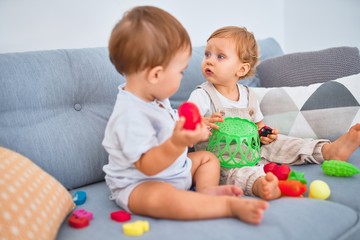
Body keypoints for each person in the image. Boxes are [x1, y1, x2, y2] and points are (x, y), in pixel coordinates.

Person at [102, 6, 269, 225]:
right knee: (161, 198)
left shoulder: (154, 97)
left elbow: (171, 129)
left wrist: (196, 128)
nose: (182, 76)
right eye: (180, 71)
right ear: (156, 75)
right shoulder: (129, 115)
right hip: (140, 182)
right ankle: (225, 206)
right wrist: (178, 142)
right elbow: (148, 166)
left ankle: (206, 192)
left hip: (175, 169)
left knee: (208, 159)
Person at [188, 26, 360, 200]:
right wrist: (201, 122)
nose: (209, 61)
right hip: (222, 157)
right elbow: (185, 123)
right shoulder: (202, 95)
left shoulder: (249, 95)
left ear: (242, 69)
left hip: (253, 150)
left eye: (220, 56)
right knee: (236, 174)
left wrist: (265, 134)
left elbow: (258, 126)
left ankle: (326, 151)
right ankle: (261, 185)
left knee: (282, 141)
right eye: (207, 54)